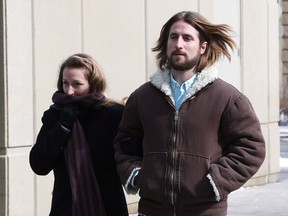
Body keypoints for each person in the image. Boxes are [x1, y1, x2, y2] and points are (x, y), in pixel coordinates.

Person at [114, 11, 265, 216]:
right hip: (153, 210)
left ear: (202, 47)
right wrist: (138, 174)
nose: (179, 44)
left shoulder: (227, 97)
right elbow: (124, 142)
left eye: (187, 38)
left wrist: (215, 181)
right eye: (173, 37)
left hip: (205, 210)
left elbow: (251, 148)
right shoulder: (142, 97)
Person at [30, 53, 129, 216]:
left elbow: (131, 155)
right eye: (65, 83)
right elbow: (39, 164)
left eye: (77, 84)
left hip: (107, 207)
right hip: (66, 208)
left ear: (93, 84)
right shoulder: (55, 115)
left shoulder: (113, 115)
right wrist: (63, 126)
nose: (69, 91)